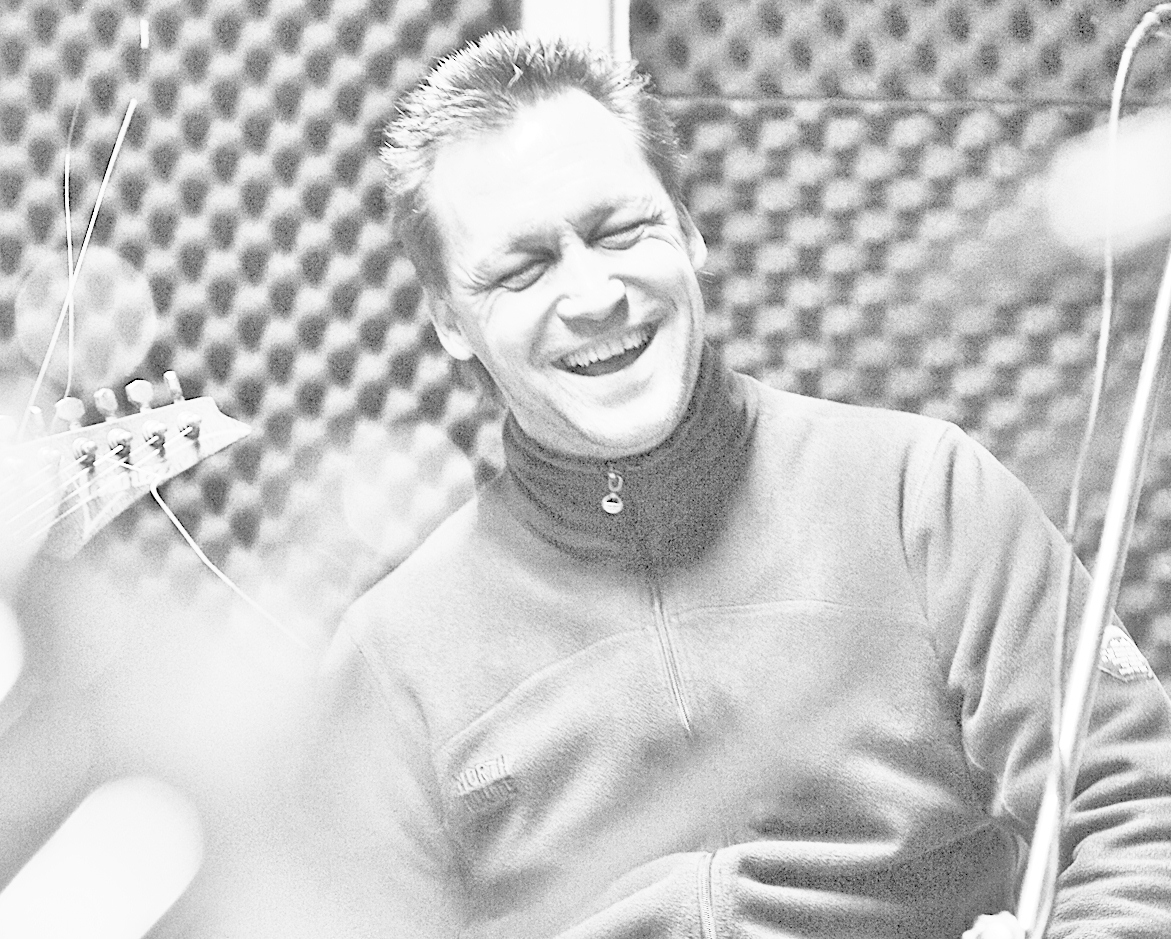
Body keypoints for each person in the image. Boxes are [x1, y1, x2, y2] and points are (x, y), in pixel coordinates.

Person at [302, 30, 1171, 939]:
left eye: (619, 231)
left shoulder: (921, 497)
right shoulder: (392, 657)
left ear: (689, 230)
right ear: (448, 319)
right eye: (522, 270)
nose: (593, 295)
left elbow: (1140, 808)